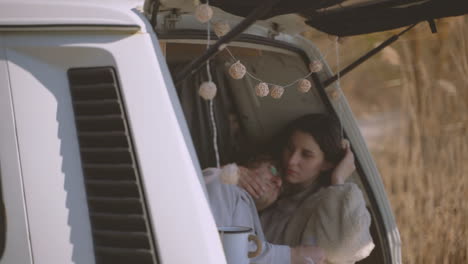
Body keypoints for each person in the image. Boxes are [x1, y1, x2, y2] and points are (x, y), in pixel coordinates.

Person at [239, 113, 375, 264]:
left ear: (327, 163)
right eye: (290, 148)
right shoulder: (272, 186)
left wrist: (338, 180)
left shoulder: (327, 205)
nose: (292, 161)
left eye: (306, 155)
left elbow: (342, 250)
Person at [203, 155, 326, 264]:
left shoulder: (255, 223)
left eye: (281, 189)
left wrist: (338, 180)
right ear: (248, 165)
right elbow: (216, 249)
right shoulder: (221, 181)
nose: (278, 182)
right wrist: (292, 256)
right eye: (274, 170)